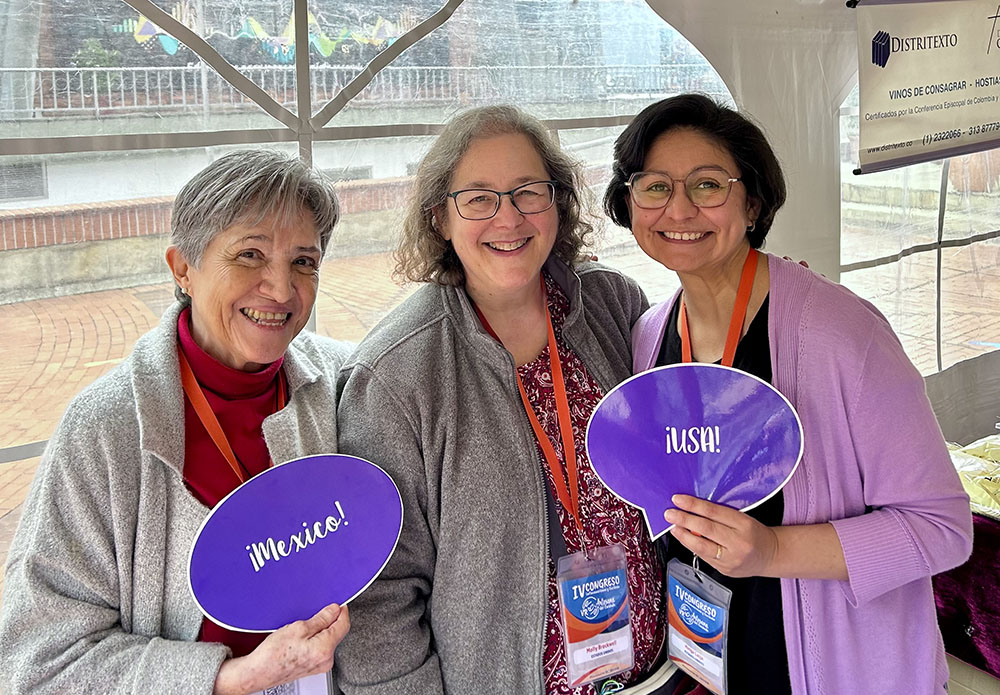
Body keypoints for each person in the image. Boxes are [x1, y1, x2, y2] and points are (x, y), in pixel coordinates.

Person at [603, 93, 973, 695]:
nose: (679, 208)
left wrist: (771, 551)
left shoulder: (841, 334)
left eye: (707, 185)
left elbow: (942, 528)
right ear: (628, 202)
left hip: (835, 666)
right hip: (710, 655)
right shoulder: (650, 335)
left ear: (751, 202)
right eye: (654, 187)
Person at [334, 105, 685, 694]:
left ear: (559, 202)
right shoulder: (397, 374)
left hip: (658, 674)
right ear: (440, 218)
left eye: (529, 192)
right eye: (478, 198)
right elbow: (379, 596)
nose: (509, 218)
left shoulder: (611, 304)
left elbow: (679, 442)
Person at [0, 150, 352, 694]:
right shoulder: (106, 429)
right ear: (182, 268)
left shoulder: (343, 386)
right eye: (250, 254)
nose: (281, 290)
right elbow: (39, 660)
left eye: (303, 262)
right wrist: (232, 678)